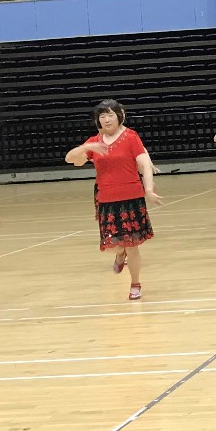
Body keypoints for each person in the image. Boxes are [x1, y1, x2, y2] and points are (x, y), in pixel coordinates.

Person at [65, 99, 162, 300]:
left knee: (132, 246)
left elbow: (144, 164)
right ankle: (119, 253)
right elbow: (71, 159)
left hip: (131, 198)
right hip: (106, 200)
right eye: (102, 116)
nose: (107, 119)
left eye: (110, 115)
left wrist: (149, 189)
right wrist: (86, 147)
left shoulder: (131, 137)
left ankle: (135, 284)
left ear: (119, 116)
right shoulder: (94, 141)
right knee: (113, 245)